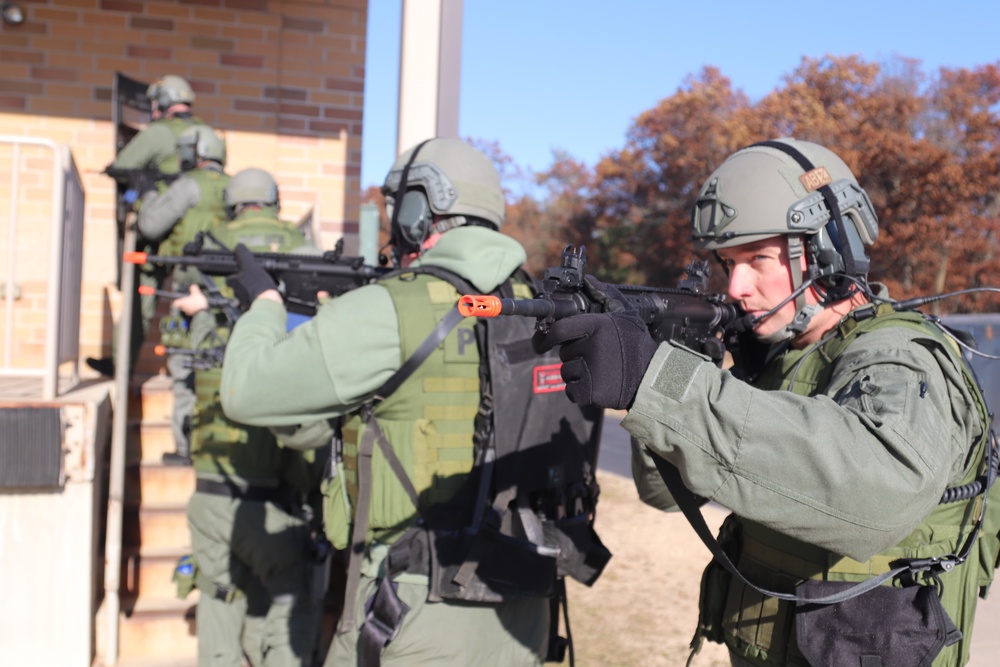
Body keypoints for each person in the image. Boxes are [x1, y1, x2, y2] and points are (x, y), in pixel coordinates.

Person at [534, 138, 997, 667]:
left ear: (827, 251)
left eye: (758, 259)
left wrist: (658, 380)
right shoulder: (782, 356)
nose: (736, 286)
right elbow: (663, 494)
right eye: (727, 263)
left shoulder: (897, 357)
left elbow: (881, 491)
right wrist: (675, 370)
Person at [217, 138, 607, 667]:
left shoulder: (389, 308)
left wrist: (264, 305)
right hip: (523, 613)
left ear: (417, 210)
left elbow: (244, 391)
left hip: (411, 607)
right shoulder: (546, 308)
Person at [173, 166, 324, 667]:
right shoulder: (301, 246)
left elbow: (180, 354)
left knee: (218, 598)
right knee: (287, 605)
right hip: (275, 496)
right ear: (274, 202)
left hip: (211, 482)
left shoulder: (208, 244)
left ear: (234, 202)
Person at [88, 74, 213, 378]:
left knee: (142, 295)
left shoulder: (159, 133)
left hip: (162, 229)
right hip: (203, 234)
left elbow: (123, 166)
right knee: (197, 296)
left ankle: (121, 365)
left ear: (164, 103)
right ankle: (190, 369)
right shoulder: (208, 132)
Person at [136, 126, 230, 466]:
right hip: (227, 295)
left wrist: (146, 195)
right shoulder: (233, 188)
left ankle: (186, 447)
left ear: (196, 153)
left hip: (188, 291)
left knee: (183, 365)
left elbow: (151, 225)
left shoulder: (188, 185)